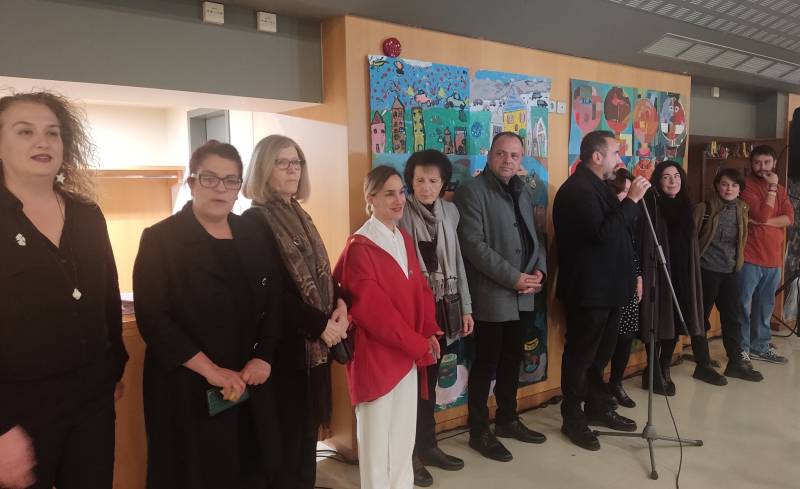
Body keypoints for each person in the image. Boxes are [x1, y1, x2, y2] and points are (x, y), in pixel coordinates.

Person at [133, 141, 283, 489]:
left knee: (251, 469)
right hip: (188, 383)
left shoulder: (253, 232)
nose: (220, 188)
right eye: (210, 178)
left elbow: (275, 299)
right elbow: (154, 319)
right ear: (192, 182)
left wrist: (264, 356)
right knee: (196, 474)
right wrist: (211, 371)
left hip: (248, 377)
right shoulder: (161, 239)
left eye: (230, 181)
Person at [0, 91, 128, 489]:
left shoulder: (87, 214)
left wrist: (114, 367)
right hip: (17, 410)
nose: (43, 141)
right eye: (25, 131)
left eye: (52, 132)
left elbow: (107, 297)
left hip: (92, 400)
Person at [241, 135, 349, 489]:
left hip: (314, 350)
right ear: (263, 168)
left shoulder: (299, 214)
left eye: (297, 162)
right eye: (282, 162)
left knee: (306, 439)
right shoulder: (254, 221)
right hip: (285, 351)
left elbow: (322, 276)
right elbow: (271, 292)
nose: (292, 169)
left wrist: (341, 305)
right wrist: (320, 325)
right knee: (284, 446)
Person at [333, 165, 441, 489]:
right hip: (376, 357)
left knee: (403, 438)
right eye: (389, 194)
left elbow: (420, 287)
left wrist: (428, 330)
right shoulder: (360, 247)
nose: (399, 200)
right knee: (377, 444)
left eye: (401, 192)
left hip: (406, 353)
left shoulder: (402, 237)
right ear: (371, 198)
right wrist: (417, 343)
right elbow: (373, 312)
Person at [454, 132, 547, 462]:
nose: (508, 160)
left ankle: (508, 419)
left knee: (513, 360)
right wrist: (514, 278)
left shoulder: (522, 190)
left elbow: (535, 237)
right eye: (501, 153)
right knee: (486, 363)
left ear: (521, 159)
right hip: (492, 295)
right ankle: (479, 430)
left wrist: (540, 272)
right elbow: (473, 245)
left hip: (525, 294)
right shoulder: (471, 191)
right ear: (489, 155)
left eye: (515, 155)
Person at [552, 130, 645, 451]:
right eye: (615, 153)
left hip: (610, 289)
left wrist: (633, 275)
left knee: (600, 355)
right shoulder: (577, 190)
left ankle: (596, 405)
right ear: (597, 156)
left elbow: (618, 236)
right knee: (580, 356)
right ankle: (572, 417)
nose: (620, 160)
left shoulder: (598, 186)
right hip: (589, 291)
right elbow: (602, 234)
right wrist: (631, 201)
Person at [398, 149, 473, 487]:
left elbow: (457, 262)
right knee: (412, 386)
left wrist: (467, 307)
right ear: (410, 183)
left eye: (433, 180)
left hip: (444, 306)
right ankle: (409, 454)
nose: (426, 187)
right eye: (419, 181)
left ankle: (428, 445)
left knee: (431, 383)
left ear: (443, 183)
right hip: (413, 313)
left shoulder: (450, 212)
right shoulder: (400, 213)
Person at [640, 161, 725, 397]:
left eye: (676, 176)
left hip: (682, 273)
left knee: (676, 321)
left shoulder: (687, 204)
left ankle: (663, 367)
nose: (672, 181)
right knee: (657, 321)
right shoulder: (651, 205)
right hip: (659, 273)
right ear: (658, 181)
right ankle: (652, 370)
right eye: (666, 177)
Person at [694, 168, 762, 382]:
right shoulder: (704, 208)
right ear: (717, 186)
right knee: (701, 319)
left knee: (733, 318)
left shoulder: (742, 208)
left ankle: (735, 363)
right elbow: (690, 240)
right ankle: (703, 365)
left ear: (740, 189)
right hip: (706, 271)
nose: (729, 189)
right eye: (724, 184)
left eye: (734, 185)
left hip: (731, 271)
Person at [735, 145, 794, 365]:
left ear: (774, 163)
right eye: (757, 163)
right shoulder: (745, 186)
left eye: (767, 162)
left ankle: (760, 346)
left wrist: (763, 222)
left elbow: (789, 218)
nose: (762, 167)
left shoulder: (782, 189)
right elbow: (762, 213)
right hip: (750, 257)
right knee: (742, 304)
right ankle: (741, 349)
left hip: (773, 258)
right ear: (751, 164)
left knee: (765, 306)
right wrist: (772, 189)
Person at [604, 168, 642, 409]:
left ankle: (616, 382)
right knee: (604, 342)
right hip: (607, 287)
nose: (629, 195)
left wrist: (639, 276)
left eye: (631, 190)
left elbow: (633, 250)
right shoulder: (606, 217)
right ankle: (596, 389)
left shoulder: (631, 216)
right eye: (624, 191)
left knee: (626, 338)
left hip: (629, 284)